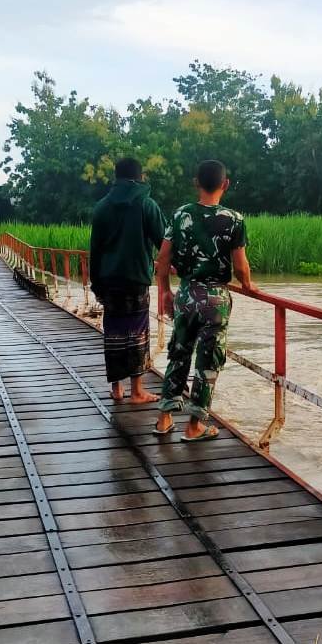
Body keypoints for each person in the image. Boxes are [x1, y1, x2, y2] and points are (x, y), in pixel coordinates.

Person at [154, 160, 254, 441]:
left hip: (186, 294)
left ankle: (164, 419)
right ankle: (194, 426)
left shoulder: (181, 214)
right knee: (208, 361)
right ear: (225, 184)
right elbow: (241, 266)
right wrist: (248, 285)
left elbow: (163, 259)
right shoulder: (234, 219)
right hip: (215, 300)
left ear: (196, 182)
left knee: (179, 353)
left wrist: (165, 291)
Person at [90, 157, 167, 403]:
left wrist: (96, 284)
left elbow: (95, 251)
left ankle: (116, 389)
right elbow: (164, 241)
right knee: (137, 333)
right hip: (136, 280)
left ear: (116, 177)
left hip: (108, 281)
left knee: (113, 332)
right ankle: (137, 391)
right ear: (140, 177)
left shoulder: (101, 207)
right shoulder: (147, 205)